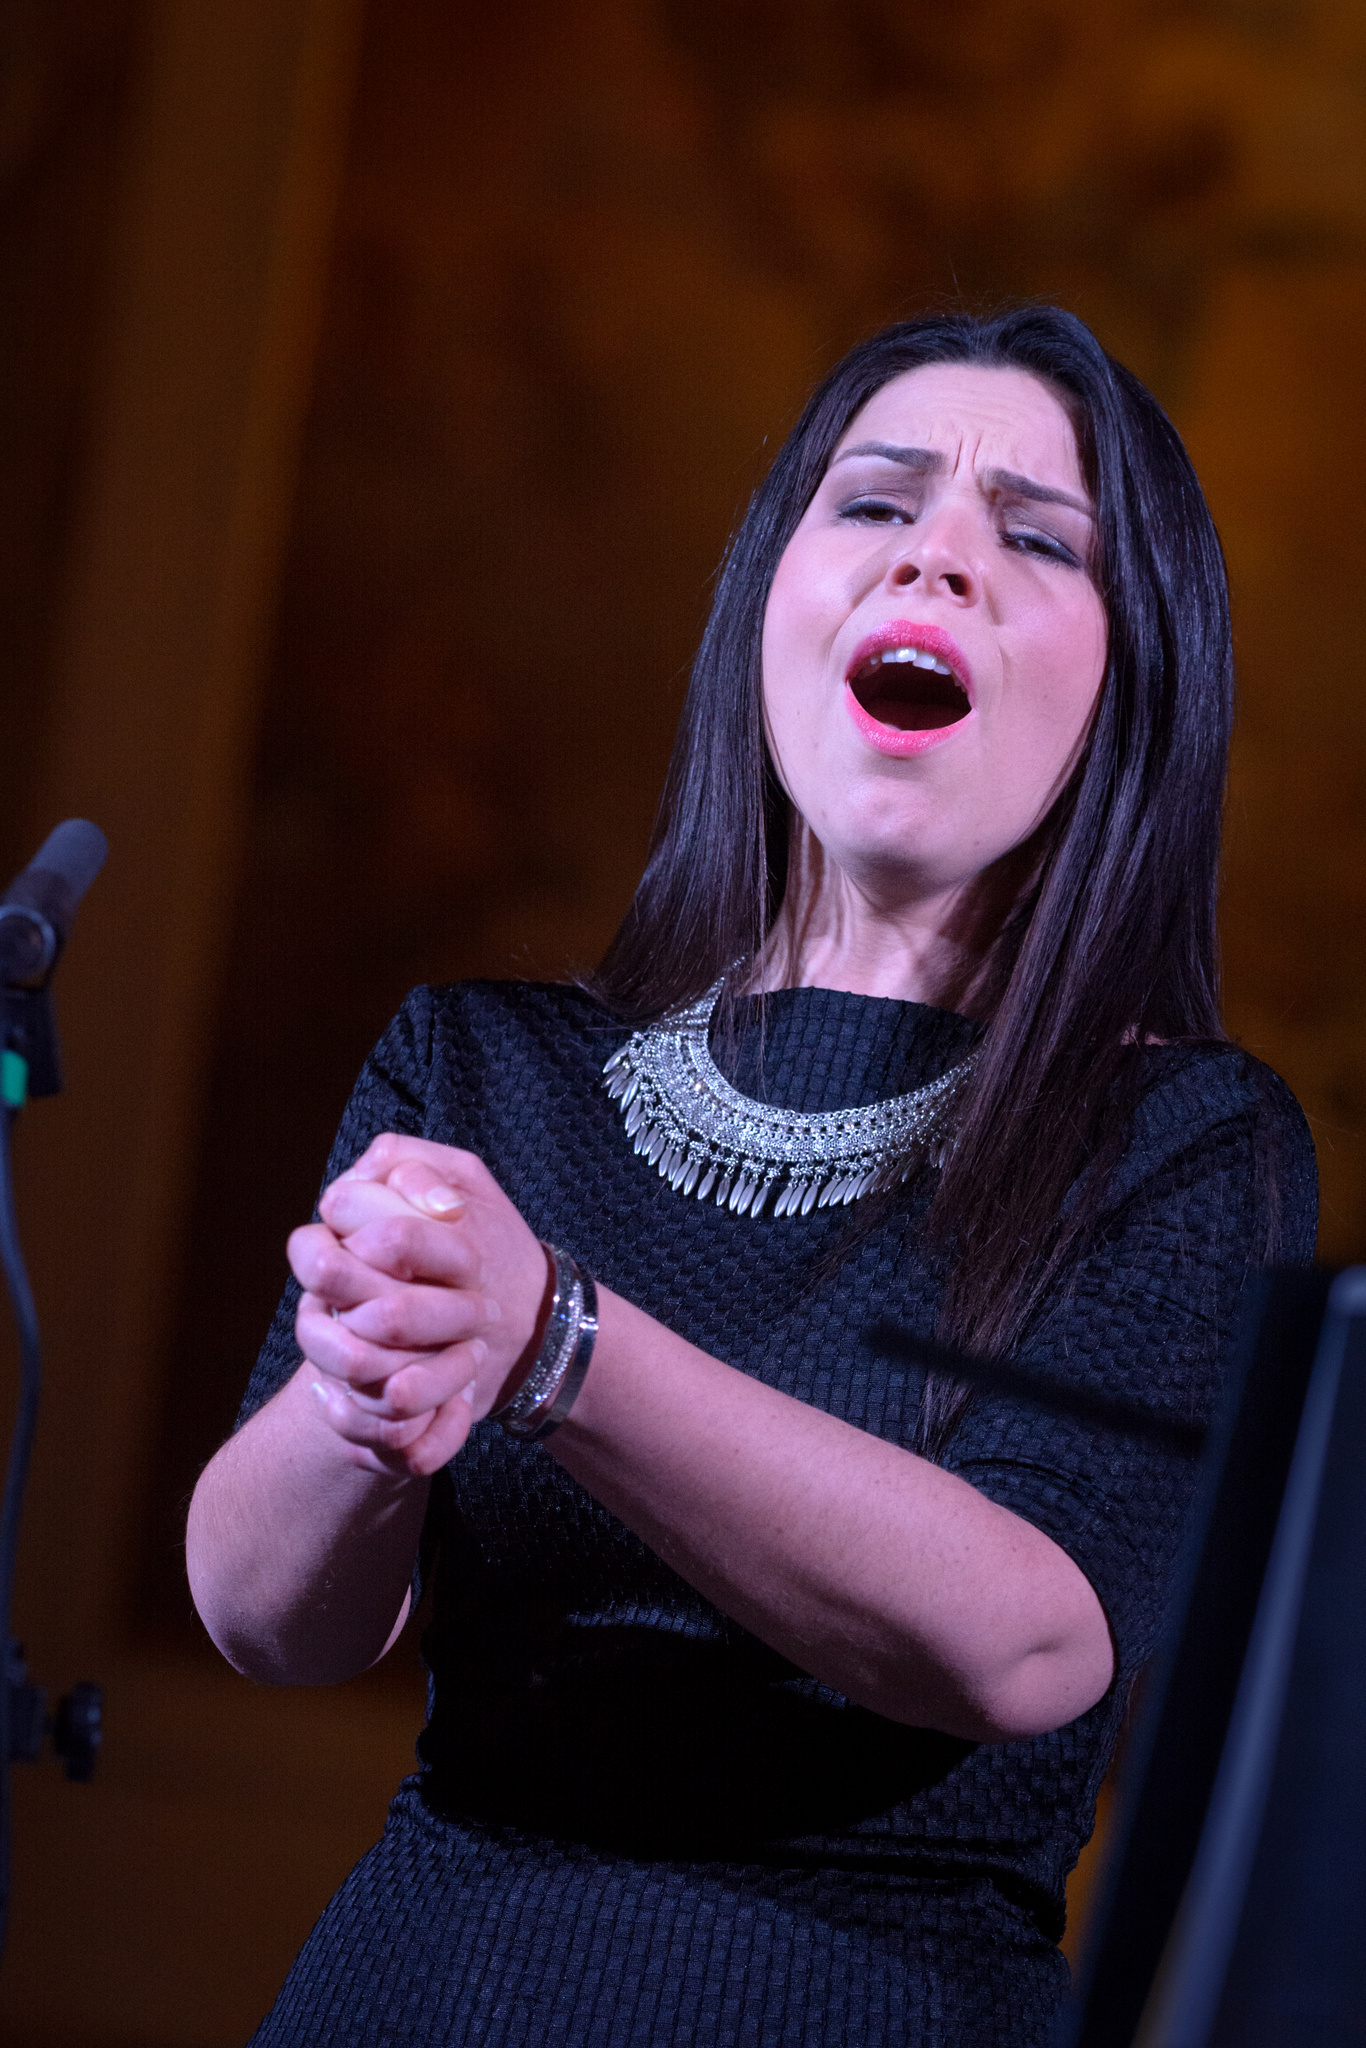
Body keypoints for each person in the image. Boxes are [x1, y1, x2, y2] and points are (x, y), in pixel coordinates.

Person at [186, 304, 1317, 2048]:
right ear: (767, 604)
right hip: (418, 1985)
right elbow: (269, 1619)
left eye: (1031, 538)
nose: (935, 558)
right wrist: (355, 1394)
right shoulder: (484, 1070)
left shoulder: (1181, 1142)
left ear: (1132, 680)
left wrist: (556, 1341)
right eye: (872, 505)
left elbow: (1027, 1641)